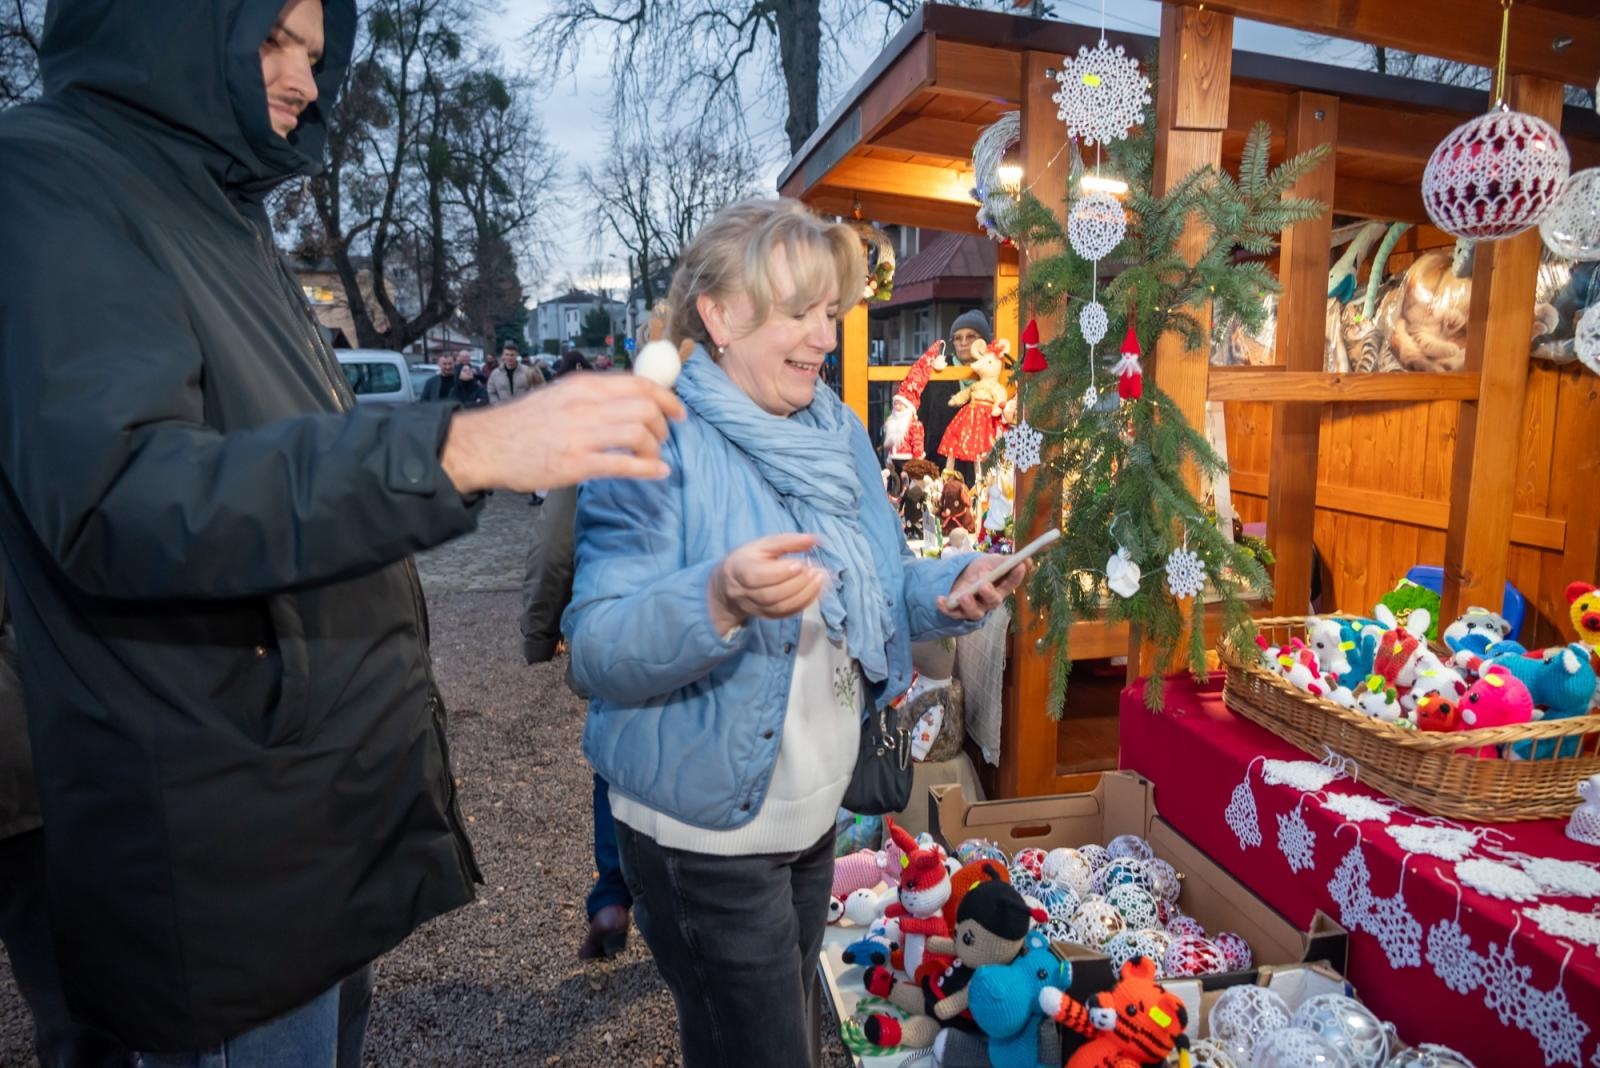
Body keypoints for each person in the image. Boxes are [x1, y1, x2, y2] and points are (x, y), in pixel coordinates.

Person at [0, 0, 683, 1063]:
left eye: (316, 55)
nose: (309, 83)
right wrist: (454, 452)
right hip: (219, 836)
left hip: (300, 815)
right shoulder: (50, 176)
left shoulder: (225, 216)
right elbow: (122, 496)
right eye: (275, 40)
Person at [563, 198, 1024, 1068]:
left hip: (810, 812)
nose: (825, 334)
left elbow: (873, 583)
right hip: (707, 833)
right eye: (800, 311)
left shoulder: (835, 432)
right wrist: (719, 601)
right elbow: (594, 646)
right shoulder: (650, 440)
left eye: (831, 310)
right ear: (721, 315)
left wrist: (946, 588)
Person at [518, 486, 633, 959]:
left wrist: (539, 634)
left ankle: (612, 896)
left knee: (615, 758)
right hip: (713, 616)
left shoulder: (601, 419)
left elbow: (554, 545)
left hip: (619, 621)